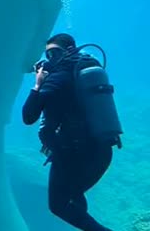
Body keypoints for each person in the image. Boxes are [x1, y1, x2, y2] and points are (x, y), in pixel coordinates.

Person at [22, 33, 121, 231]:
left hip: (72, 155)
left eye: (53, 54)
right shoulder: (84, 71)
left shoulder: (59, 78)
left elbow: (28, 116)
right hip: (100, 152)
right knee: (73, 197)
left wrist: (38, 84)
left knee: (58, 205)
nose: (50, 59)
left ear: (67, 51)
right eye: (47, 55)